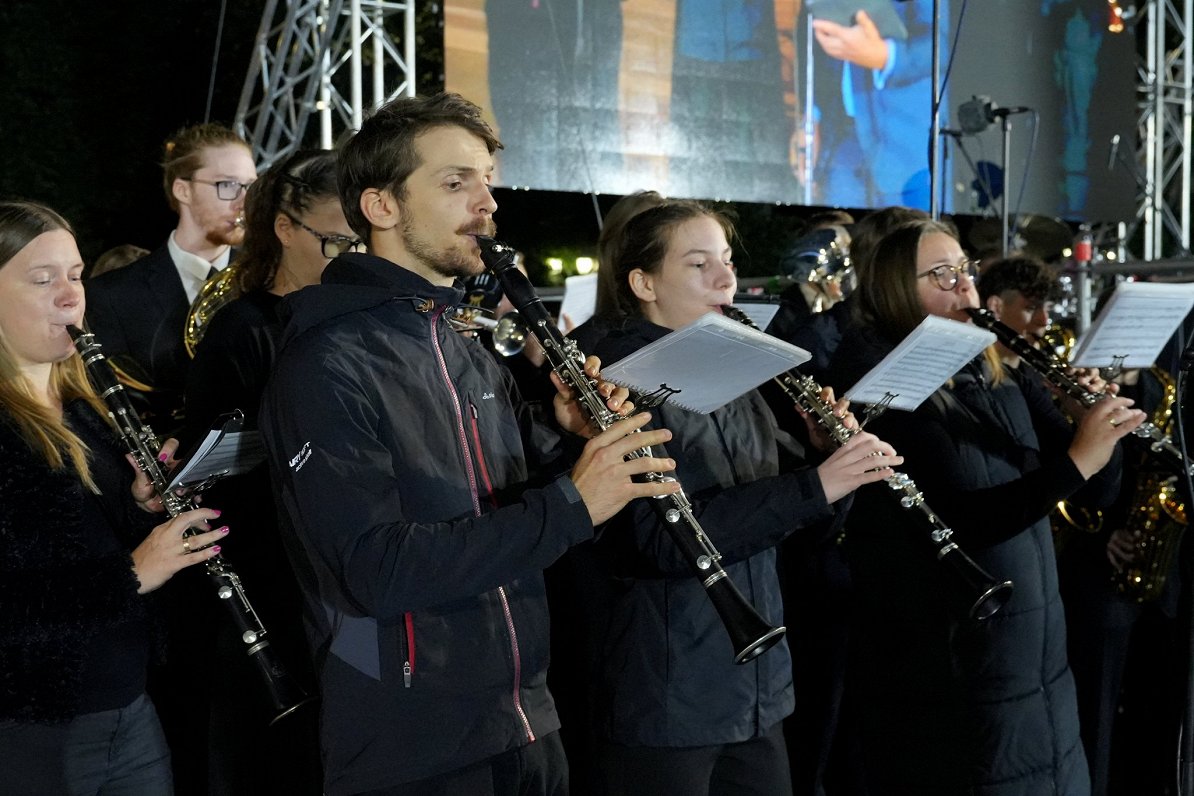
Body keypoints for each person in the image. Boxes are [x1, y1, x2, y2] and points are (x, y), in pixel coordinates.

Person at [258, 91, 682, 795]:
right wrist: (576, 502)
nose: (486, 202)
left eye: (487, 181)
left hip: (524, 719)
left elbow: (493, 508)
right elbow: (374, 569)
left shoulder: (463, 343)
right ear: (380, 207)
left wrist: (563, 440)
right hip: (415, 746)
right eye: (455, 183)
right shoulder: (326, 361)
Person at [576, 198, 901, 795]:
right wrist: (817, 483)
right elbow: (660, 541)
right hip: (667, 697)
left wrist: (832, 462)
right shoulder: (613, 382)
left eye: (726, 261)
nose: (727, 279)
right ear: (643, 282)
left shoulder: (735, 368)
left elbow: (799, 531)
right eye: (699, 265)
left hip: (757, 688)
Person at [825, 217, 1144, 794]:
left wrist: (1089, 424)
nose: (964, 287)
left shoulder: (996, 370)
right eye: (941, 274)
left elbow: (1098, 493)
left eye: (965, 271)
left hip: (1038, 658)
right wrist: (1078, 458)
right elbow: (965, 521)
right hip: (956, 667)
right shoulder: (883, 392)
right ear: (898, 290)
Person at [0, 200, 226, 793]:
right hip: (31, 726)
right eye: (41, 279)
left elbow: (80, 533)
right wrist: (131, 574)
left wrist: (137, 504)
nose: (71, 296)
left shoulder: (83, 403)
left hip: (129, 705)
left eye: (75, 276)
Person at [178, 149, 357, 794]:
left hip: (341, 574)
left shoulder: (354, 318)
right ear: (285, 229)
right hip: (274, 572)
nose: (352, 257)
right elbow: (218, 466)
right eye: (338, 241)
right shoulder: (244, 328)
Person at [85, 122, 257, 432]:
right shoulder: (110, 296)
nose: (244, 201)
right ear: (183, 190)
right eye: (228, 185)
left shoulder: (266, 280)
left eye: (250, 186)